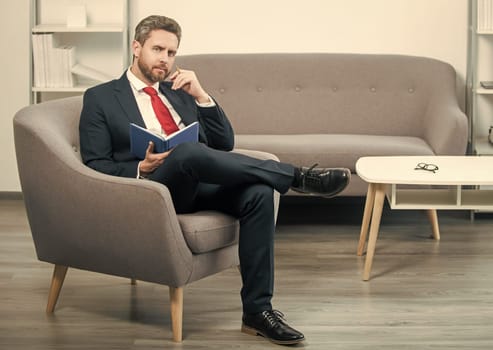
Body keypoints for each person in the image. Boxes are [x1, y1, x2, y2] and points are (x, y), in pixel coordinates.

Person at [79, 15, 350, 346]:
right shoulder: (101, 98)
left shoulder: (179, 92)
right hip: (151, 191)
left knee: (259, 192)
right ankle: (298, 177)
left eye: (172, 52)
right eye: (157, 49)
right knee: (188, 153)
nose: (165, 59)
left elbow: (224, 144)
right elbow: (94, 163)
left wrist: (202, 95)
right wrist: (141, 167)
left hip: (197, 183)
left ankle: (257, 311)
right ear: (136, 47)